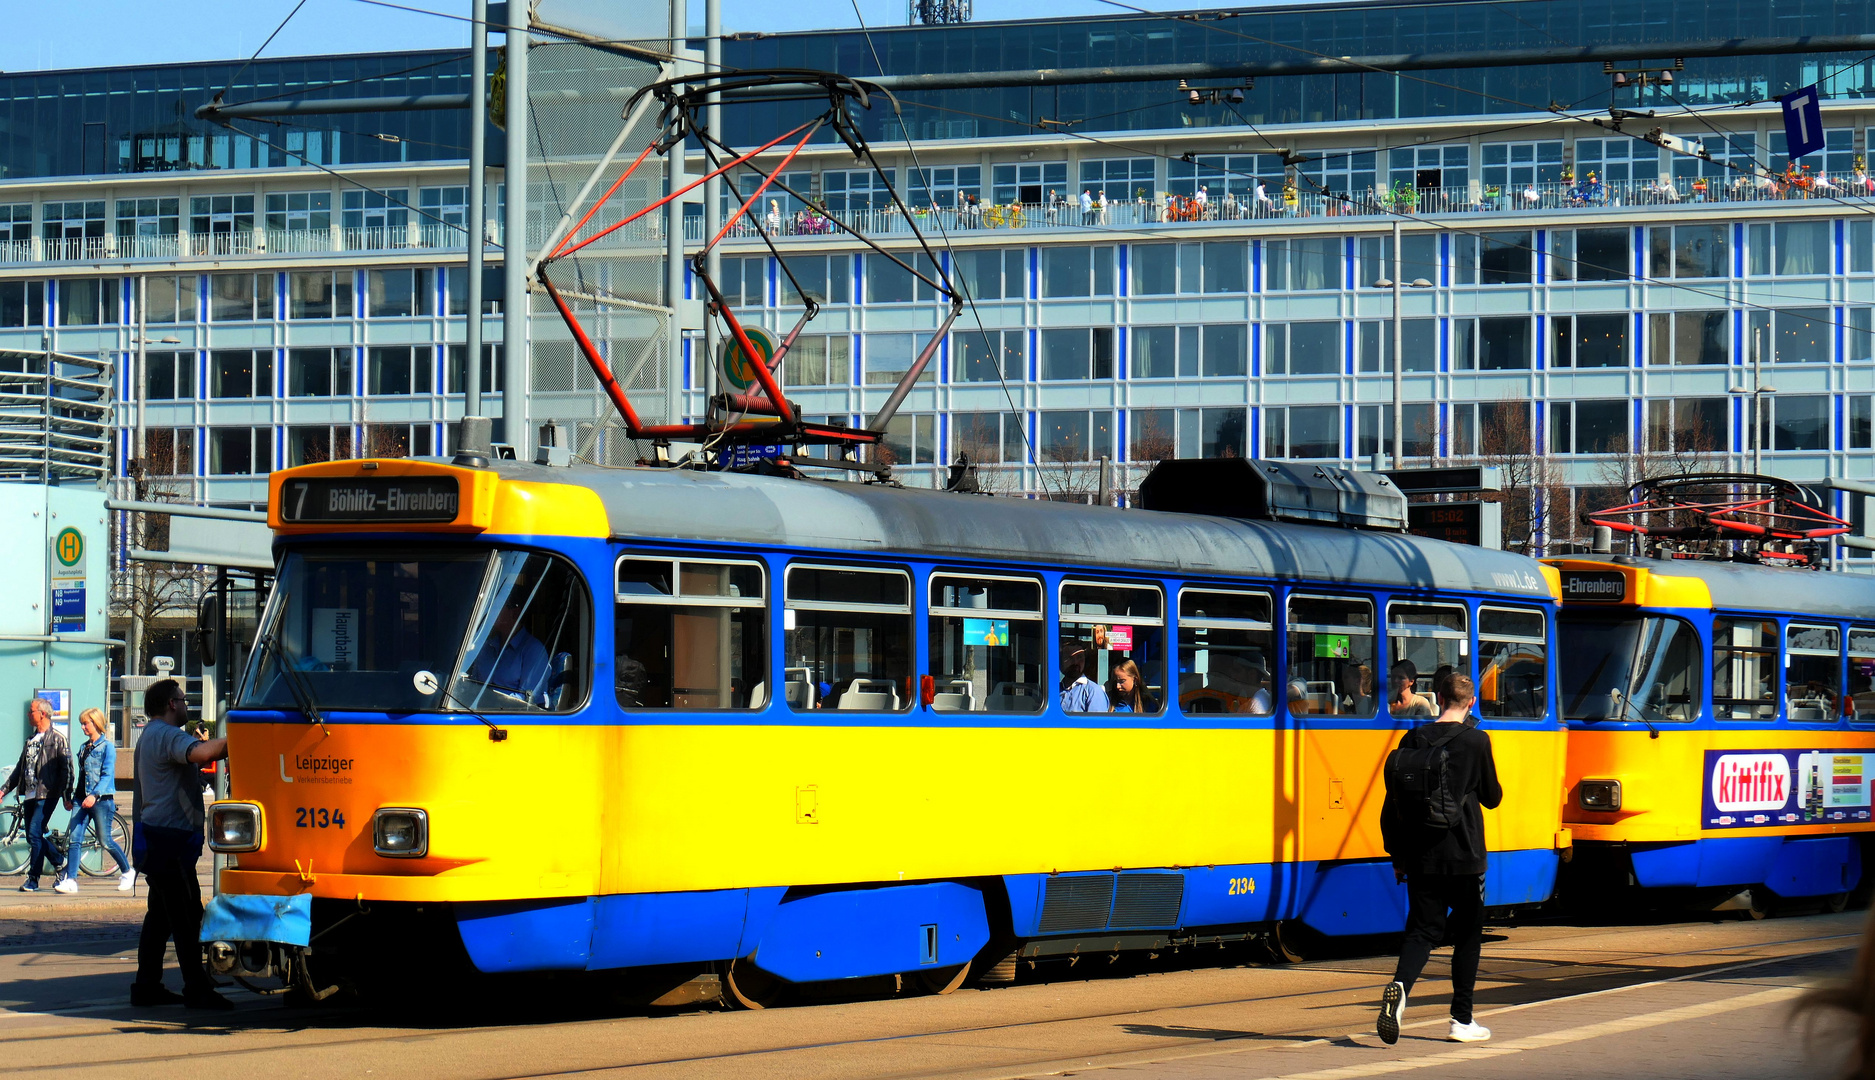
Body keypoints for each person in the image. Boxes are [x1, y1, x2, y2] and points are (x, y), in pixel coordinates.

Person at [1377, 674, 1502, 1045]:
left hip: (1420, 855)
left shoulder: (1412, 739)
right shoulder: (1477, 740)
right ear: (1472, 702)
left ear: (1439, 698)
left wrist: (1397, 855)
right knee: (1467, 935)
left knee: (1422, 931)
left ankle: (1400, 987)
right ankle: (1461, 1021)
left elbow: (1392, 804)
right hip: (1465, 854)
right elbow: (1492, 797)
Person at [131, 679, 231, 1010]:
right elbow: (200, 753)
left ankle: (146, 986)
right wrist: (240, 739)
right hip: (170, 841)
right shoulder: (167, 734)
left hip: (157, 838)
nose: (187, 706)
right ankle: (197, 989)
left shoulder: (149, 734)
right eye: (183, 700)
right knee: (186, 917)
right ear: (172, 704)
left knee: (159, 918)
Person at [55, 707, 134, 894]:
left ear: (96, 723)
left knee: (105, 840)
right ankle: (71, 880)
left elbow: (107, 775)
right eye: (82, 724)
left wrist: (95, 795)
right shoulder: (84, 747)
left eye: (86, 723)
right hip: (81, 799)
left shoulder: (107, 747)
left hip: (101, 800)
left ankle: (127, 871)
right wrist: (71, 798)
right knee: (75, 840)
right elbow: (81, 775)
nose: (83, 727)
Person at [2, 698, 72, 892]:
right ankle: (60, 863)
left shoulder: (57, 738)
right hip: (30, 795)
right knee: (35, 835)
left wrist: (67, 795)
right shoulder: (30, 740)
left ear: (42, 714)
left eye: (31, 711)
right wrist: (4, 789)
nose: (27, 715)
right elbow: (20, 769)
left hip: (47, 794)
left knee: (34, 833)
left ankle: (33, 879)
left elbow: (67, 768)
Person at [1059, 645, 1110, 713]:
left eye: (1079, 657)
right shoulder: (1053, 690)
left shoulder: (1093, 691)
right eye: (1069, 658)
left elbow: (1096, 722)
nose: (1075, 662)